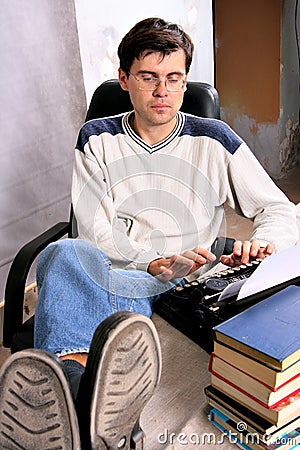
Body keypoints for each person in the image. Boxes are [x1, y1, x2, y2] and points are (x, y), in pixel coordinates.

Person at [0, 17, 298, 450]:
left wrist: (265, 245)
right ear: (124, 79)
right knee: (66, 254)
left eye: (174, 78)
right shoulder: (97, 138)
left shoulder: (214, 139)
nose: (163, 92)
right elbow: (93, 231)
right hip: (122, 269)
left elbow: (277, 207)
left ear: (184, 81)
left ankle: (68, 406)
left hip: (191, 279)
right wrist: (149, 262)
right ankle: (81, 397)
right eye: (149, 78)